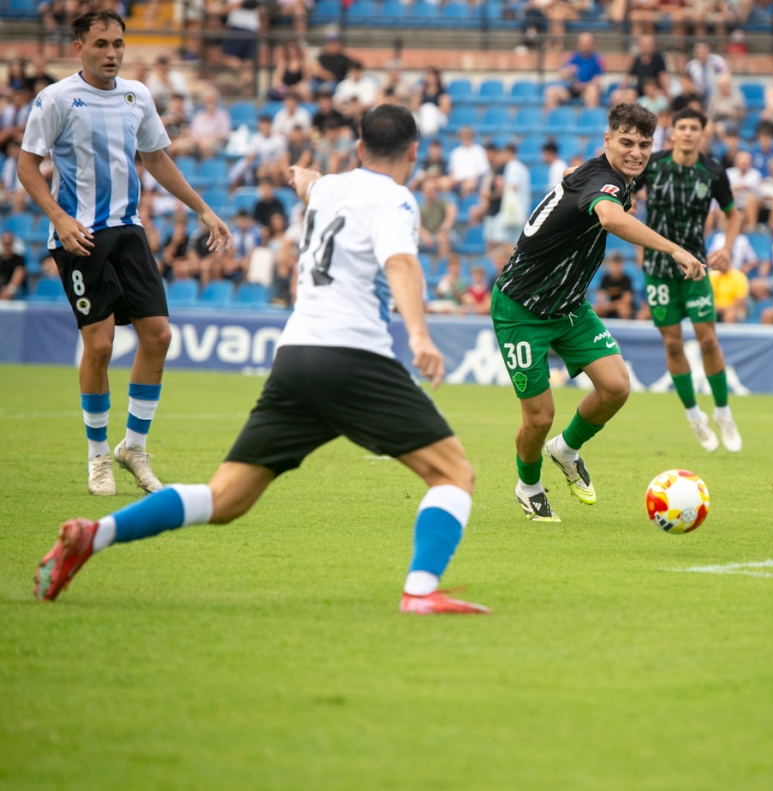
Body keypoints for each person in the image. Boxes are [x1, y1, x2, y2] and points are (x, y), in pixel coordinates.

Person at [35, 104, 490, 615]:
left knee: (225, 498)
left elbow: (310, 183)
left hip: (296, 358)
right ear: (414, 153)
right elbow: (402, 263)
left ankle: (94, 534)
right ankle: (421, 592)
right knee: (455, 474)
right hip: (355, 358)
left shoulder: (331, 188)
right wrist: (420, 335)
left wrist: (299, 175)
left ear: (360, 149)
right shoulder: (396, 199)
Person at [18, 10, 231, 497]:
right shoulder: (56, 98)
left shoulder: (137, 96)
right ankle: (98, 457)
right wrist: (59, 219)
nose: (111, 52)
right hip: (80, 236)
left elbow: (155, 157)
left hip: (128, 230)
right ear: (79, 48)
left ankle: (133, 448)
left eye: (117, 43)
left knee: (159, 335)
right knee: (99, 346)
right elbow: (28, 166)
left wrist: (203, 209)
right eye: (100, 44)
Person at [490, 103, 705, 522]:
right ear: (607, 140)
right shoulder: (604, 182)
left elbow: (583, 185)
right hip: (521, 309)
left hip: (568, 306)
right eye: (626, 142)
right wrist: (674, 249)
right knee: (540, 417)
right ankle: (528, 486)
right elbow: (608, 217)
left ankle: (565, 449)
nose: (636, 152)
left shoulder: (605, 176)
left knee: (616, 387)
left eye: (644, 145)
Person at [631, 107, 743, 453]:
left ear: (702, 133)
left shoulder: (713, 171)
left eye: (695, 127)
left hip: (695, 267)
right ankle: (695, 416)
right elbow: (625, 192)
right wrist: (628, 203)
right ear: (673, 132)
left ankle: (723, 413)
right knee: (673, 344)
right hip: (658, 268)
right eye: (682, 127)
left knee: (708, 339)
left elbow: (733, 215)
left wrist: (727, 248)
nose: (688, 133)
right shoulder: (654, 164)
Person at [544, 33, 605, 110]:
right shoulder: (572, 57)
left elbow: (597, 81)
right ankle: (553, 116)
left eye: (588, 42)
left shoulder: (597, 59)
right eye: (583, 42)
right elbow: (561, 75)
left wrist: (582, 86)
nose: (585, 45)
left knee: (593, 91)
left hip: (586, 90)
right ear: (578, 44)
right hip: (571, 89)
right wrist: (568, 72)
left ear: (592, 44)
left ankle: (590, 116)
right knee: (551, 92)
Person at [594, 253, 635, 319]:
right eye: (614, 266)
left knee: (624, 310)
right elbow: (600, 296)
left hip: (618, 306)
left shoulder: (626, 279)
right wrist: (602, 304)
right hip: (610, 306)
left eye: (617, 266)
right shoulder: (605, 278)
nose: (615, 269)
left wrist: (610, 306)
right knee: (595, 310)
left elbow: (626, 300)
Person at [0, 230, 27, 299]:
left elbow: (19, 273)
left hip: (13, 290)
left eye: (8, 243)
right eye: (5, 243)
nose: (7, 246)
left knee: (6, 294)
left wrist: (10, 289)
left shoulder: (18, 259)